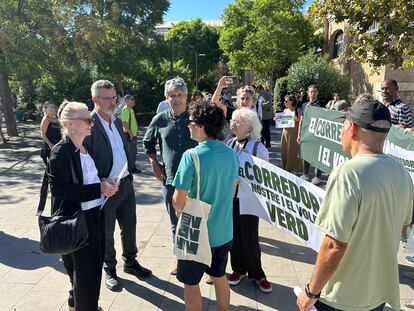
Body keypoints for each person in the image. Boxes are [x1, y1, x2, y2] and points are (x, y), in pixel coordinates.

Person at [296, 96, 414, 311]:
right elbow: (402, 227)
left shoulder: (348, 173)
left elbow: (333, 246)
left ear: (351, 128)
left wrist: (310, 291)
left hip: (342, 297)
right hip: (377, 293)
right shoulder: (402, 173)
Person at [48, 100, 118, 311]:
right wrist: (99, 189)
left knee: (83, 276)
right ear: (69, 123)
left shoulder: (82, 147)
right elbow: (61, 190)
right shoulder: (61, 152)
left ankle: (77, 305)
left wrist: (105, 183)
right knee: (88, 279)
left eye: (91, 119)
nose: (92, 122)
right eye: (87, 119)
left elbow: (88, 181)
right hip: (78, 223)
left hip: (93, 217)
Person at [85, 80, 152, 292]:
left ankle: (130, 262)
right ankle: (109, 269)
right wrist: (101, 182)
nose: (111, 102)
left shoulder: (116, 119)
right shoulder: (90, 124)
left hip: (125, 184)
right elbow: (83, 159)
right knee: (106, 232)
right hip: (105, 190)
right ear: (95, 99)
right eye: (106, 98)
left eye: (113, 97)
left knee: (129, 227)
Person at [172, 102, 239, 311]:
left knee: (191, 283)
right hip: (224, 231)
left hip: (196, 233)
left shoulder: (191, 156)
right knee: (219, 276)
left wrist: (178, 210)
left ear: (201, 126)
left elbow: (178, 199)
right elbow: (234, 187)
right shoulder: (230, 153)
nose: (188, 126)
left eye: (191, 122)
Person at [142, 77, 197, 275]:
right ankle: (180, 258)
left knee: (200, 220)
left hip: (197, 179)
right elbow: (147, 142)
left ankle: (203, 263)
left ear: (186, 96)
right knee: (176, 221)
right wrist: (154, 163)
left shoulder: (196, 117)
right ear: (166, 98)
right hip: (171, 179)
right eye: (172, 95)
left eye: (180, 95)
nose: (176, 99)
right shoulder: (160, 119)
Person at [226, 108, 272, 293]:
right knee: (234, 237)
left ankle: (257, 274)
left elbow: (264, 177)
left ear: (249, 127)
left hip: (249, 201)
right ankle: (238, 269)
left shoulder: (258, 148)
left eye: (238, 121)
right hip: (230, 200)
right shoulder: (229, 144)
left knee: (250, 239)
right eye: (232, 120)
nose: (233, 123)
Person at [297, 85, 323, 185]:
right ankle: (306, 175)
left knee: (318, 155)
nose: (313, 93)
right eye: (311, 91)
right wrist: (299, 134)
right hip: (306, 134)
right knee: (306, 154)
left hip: (317, 135)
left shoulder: (322, 105)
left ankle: (317, 176)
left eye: (315, 91)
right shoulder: (304, 105)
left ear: (317, 93)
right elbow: (301, 121)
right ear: (308, 93)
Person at [280, 94, 302, 173]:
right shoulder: (285, 110)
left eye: (286, 101)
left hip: (293, 133)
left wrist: (295, 119)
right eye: (284, 101)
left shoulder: (297, 110)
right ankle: (285, 167)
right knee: (284, 151)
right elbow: (282, 120)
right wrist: (277, 119)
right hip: (285, 132)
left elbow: (301, 121)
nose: (284, 102)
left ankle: (293, 169)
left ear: (291, 101)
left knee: (292, 151)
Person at [121, 94, 141, 174]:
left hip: (132, 134)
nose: (134, 101)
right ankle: (131, 168)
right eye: (132, 99)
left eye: (133, 99)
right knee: (131, 152)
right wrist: (130, 133)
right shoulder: (126, 110)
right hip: (129, 135)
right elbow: (125, 123)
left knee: (133, 151)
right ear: (126, 101)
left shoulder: (130, 110)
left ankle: (132, 167)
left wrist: (135, 131)